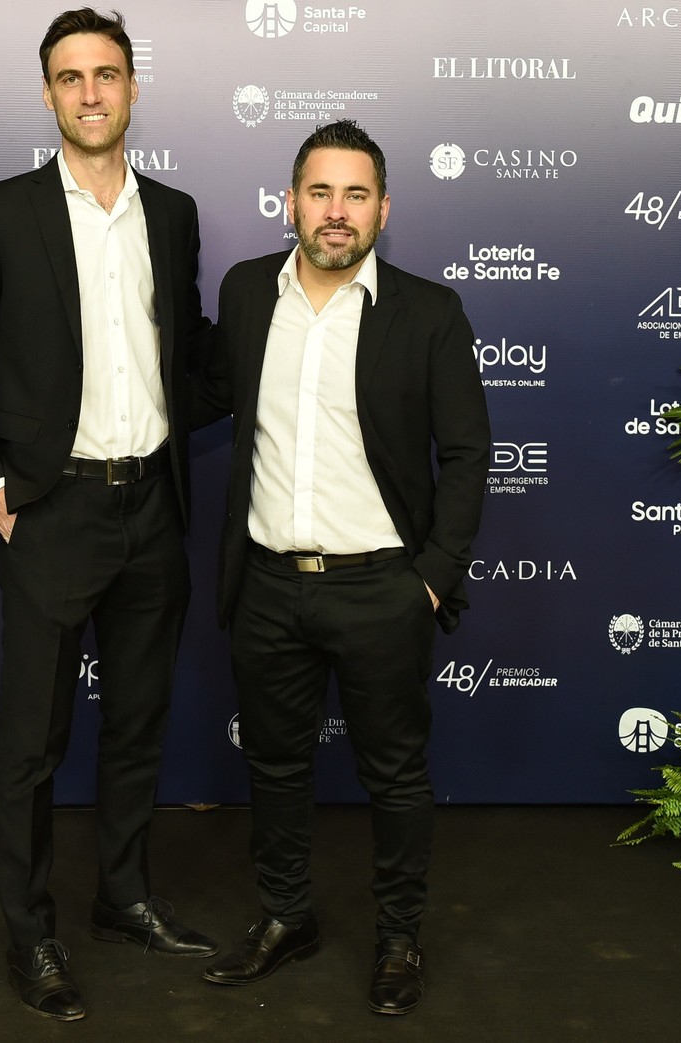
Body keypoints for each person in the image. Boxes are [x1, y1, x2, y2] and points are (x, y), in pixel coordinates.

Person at [0, 7, 219, 1022]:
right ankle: (30, 932)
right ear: (47, 94)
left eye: (106, 73)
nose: (90, 92)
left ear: (133, 88)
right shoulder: (1, 212)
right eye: (69, 76)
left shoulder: (171, 215)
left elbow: (187, 358)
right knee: (31, 744)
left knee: (136, 726)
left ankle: (122, 897)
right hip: (51, 513)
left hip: (151, 509)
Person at [198, 120, 489, 1016]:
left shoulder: (428, 311)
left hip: (381, 589)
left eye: (354, 195)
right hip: (268, 583)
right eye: (319, 193)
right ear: (290, 203)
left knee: (394, 775)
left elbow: (468, 453)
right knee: (275, 767)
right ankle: (287, 918)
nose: (335, 212)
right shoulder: (248, 293)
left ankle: (399, 937)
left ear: (383, 209)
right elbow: (199, 394)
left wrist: (430, 577)